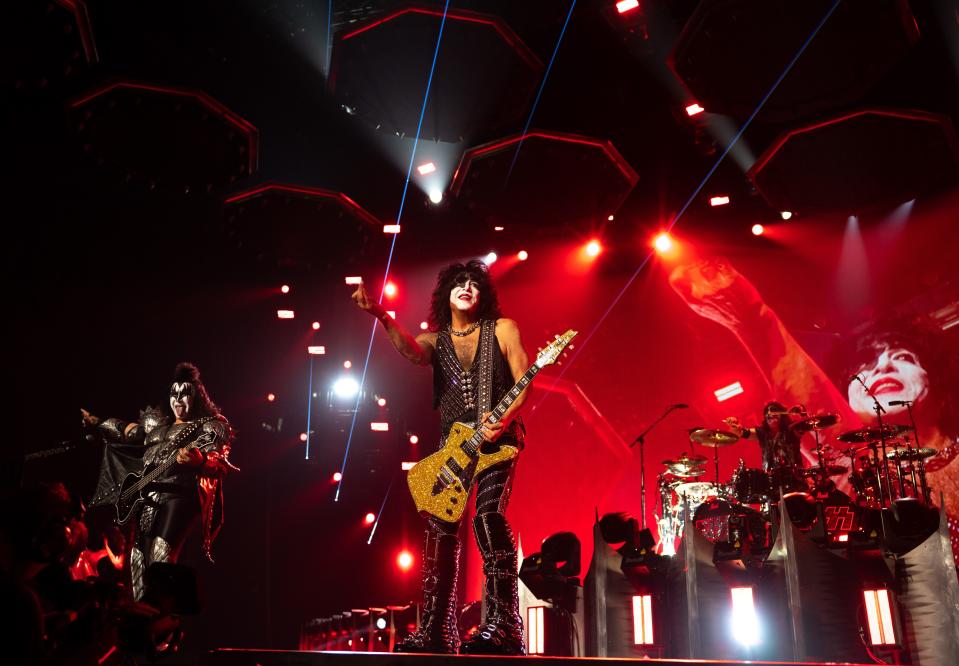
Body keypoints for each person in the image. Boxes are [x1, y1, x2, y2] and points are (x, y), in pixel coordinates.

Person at [351, 260, 530, 654]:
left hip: (499, 441)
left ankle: (504, 625)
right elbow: (412, 352)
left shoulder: (503, 329)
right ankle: (437, 630)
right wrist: (380, 313)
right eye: (459, 282)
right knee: (440, 532)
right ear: (446, 293)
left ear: (484, 294)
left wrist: (502, 421)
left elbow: (523, 382)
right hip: (454, 447)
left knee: (488, 517)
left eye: (474, 283)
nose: (467, 287)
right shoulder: (435, 339)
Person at [83, 362, 235, 600]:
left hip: (179, 495)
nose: (178, 399)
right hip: (146, 497)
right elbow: (129, 431)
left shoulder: (209, 426)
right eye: (174, 393)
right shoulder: (157, 427)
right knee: (137, 559)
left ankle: (163, 615)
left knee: (161, 554)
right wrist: (98, 422)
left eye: (185, 394)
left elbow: (218, 462)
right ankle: (143, 616)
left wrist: (199, 461)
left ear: (197, 396)